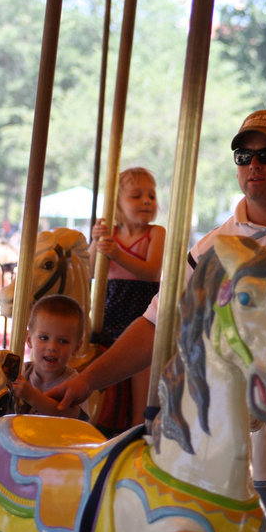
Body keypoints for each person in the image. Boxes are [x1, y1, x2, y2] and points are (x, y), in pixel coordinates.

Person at [50, 110, 266, 496]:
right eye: (244, 156)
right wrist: (86, 379)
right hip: (246, 397)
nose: (254, 165)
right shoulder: (213, 247)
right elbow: (160, 323)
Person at [90, 167, 165, 426]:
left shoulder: (156, 233)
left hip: (142, 314)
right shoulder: (110, 233)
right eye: (136, 195)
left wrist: (117, 254)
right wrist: (95, 243)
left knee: (140, 365)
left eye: (151, 196)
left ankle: (138, 425)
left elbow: (151, 271)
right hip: (110, 312)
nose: (146, 200)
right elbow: (90, 269)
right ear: (117, 203)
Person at [12, 295, 91, 419]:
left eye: (63, 341)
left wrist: (31, 395)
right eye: (44, 338)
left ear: (76, 347)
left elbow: (77, 419)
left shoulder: (74, 383)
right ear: (29, 339)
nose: (52, 347)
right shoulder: (21, 373)